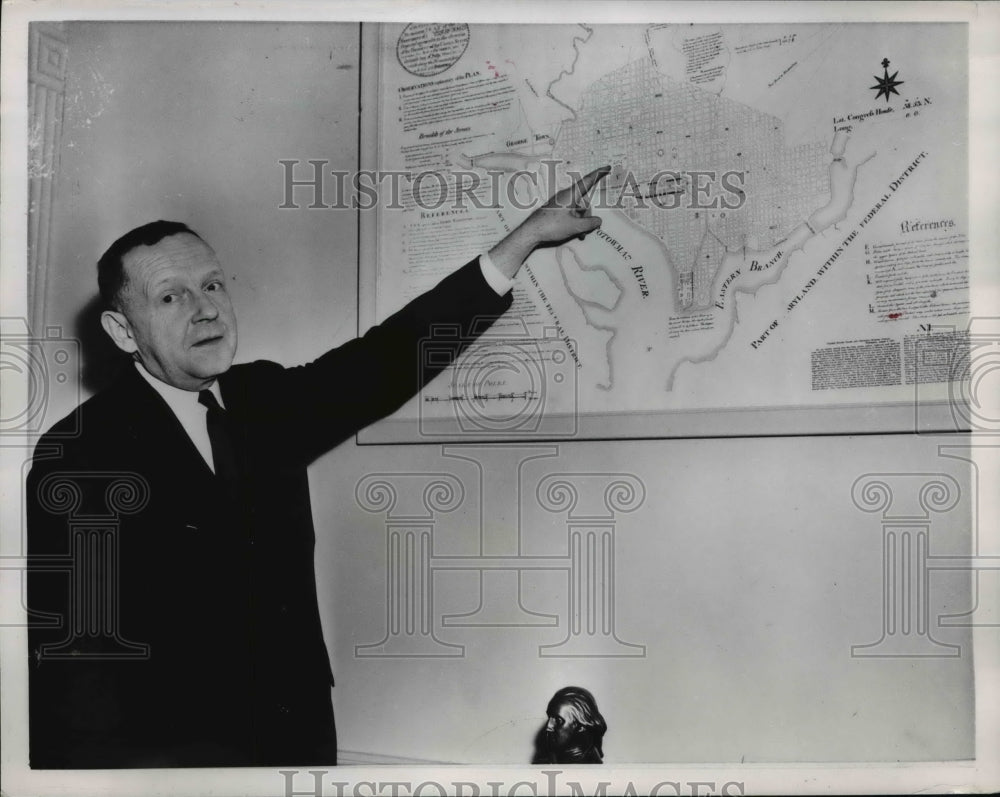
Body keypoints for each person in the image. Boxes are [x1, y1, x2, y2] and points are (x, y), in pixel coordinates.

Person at [26, 167, 610, 769]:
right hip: (172, 763)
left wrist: (524, 240)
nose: (205, 311)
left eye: (213, 285)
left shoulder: (261, 399)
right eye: (171, 296)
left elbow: (386, 359)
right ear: (122, 330)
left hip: (294, 736)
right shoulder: (78, 452)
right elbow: (77, 668)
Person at [536, 686, 608, 764]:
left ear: (581, 726)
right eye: (549, 717)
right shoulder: (553, 760)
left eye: (558, 720)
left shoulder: (585, 768)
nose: (549, 726)